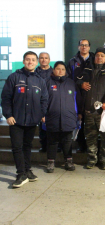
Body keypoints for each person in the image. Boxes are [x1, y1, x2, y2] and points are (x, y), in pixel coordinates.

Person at [1, 51, 48, 188]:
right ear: (23, 61)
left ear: (37, 62)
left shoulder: (40, 81)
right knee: (17, 147)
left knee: (27, 146)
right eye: (28, 59)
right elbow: (6, 98)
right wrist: (8, 115)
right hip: (16, 120)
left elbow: (44, 100)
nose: (30, 62)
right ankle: (20, 173)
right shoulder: (13, 77)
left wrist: (41, 114)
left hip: (32, 120)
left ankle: (27, 171)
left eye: (33, 60)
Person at [77, 48, 105, 170]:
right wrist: (81, 84)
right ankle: (92, 160)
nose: (99, 57)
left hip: (103, 111)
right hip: (89, 111)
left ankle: (104, 161)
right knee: (90, 138)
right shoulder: (88, 69)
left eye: (102, 55)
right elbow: (77, 80)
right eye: (97, 55)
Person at [45, 61, 82, 173]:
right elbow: (43, 100)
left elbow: (78, 100)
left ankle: (68, 160)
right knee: (52, 141)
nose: (60, 71)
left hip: (68, 117)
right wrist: (43, 114)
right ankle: (51, 162)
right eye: (58, 69)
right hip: (52, 117)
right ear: (53, 70)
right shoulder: (47, 83)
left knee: (67, 141)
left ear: (66, 71)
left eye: (63, 69)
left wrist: (79, 113)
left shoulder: (71, 83)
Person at [67, 39, 94, 153]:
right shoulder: (72, 61)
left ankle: (93, 146)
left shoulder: (94, 59)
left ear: (89, 47)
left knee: (92, 122)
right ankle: (81, 145)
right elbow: (68, 78)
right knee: (80, 120)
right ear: (78, 47)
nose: (84, 47)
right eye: (82, 45)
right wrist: (80, 84)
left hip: (92, 94)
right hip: (77, 94)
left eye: (86, 45)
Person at [35, 52, 53, 153]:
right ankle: (44, 145)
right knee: (42, 125)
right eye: (41, 58)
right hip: (39, 103)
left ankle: (56, 146)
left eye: (46, 58)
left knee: (53, 125)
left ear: (49, 60)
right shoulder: (35, 72)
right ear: (38, 60)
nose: (44, 60)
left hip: (53, 102)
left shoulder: (54, 71)